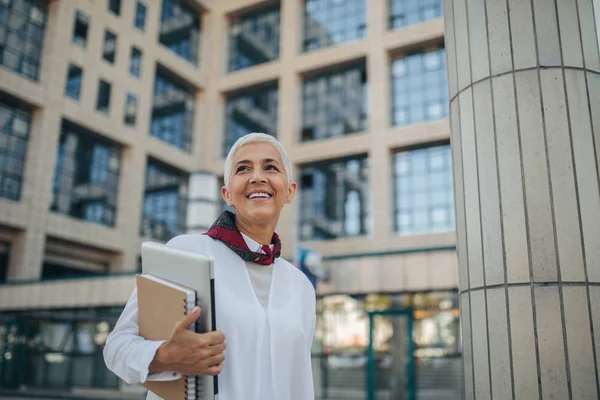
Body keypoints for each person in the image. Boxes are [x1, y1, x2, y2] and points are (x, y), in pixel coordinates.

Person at [103, 133, 317, 400]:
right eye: (243, 169)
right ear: (227, 193)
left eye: (270, 167)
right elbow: (117, 347)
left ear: (289, 191)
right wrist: (164, 356)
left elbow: (300, 383)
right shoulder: (185, 252)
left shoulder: (301, 286)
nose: (257, 177)